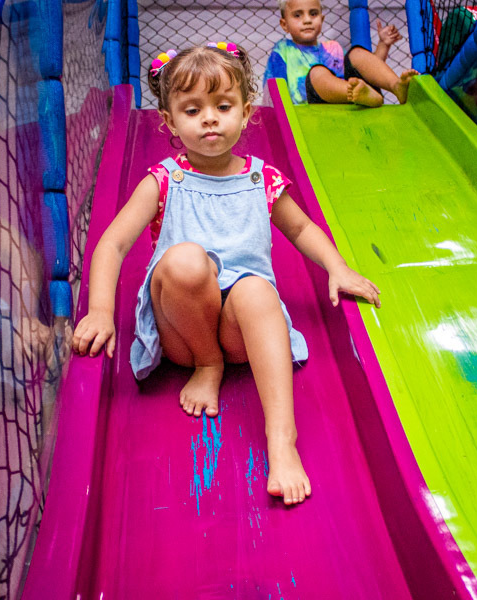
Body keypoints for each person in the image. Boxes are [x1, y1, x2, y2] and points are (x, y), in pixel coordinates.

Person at [71, 44, 381, 505]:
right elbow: (112, 244)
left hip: (242, 329)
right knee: (185, 260)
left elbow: (301, 228)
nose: (210, 119)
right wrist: (100, 310)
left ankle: (282, 439)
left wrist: (337, 267)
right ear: (171, 122)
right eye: (193, 110)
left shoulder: (263, 178)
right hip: (182, 327)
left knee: (257, 289)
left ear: (246, 111)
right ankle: (206, 363)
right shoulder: (164, 179)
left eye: (223, 106)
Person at [264, 0, 418, 106]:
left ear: (322, 19)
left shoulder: (333, 49)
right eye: (298, 15)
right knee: (317, 73)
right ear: (284, 24)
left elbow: (366, 73)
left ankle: (396, 85)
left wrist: (383, 44)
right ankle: (356, 95)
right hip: (313, 109)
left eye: (313, 14)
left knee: (357, 53)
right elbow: (273, 91)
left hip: (355, 99)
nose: (307, 20)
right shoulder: (283, 50)